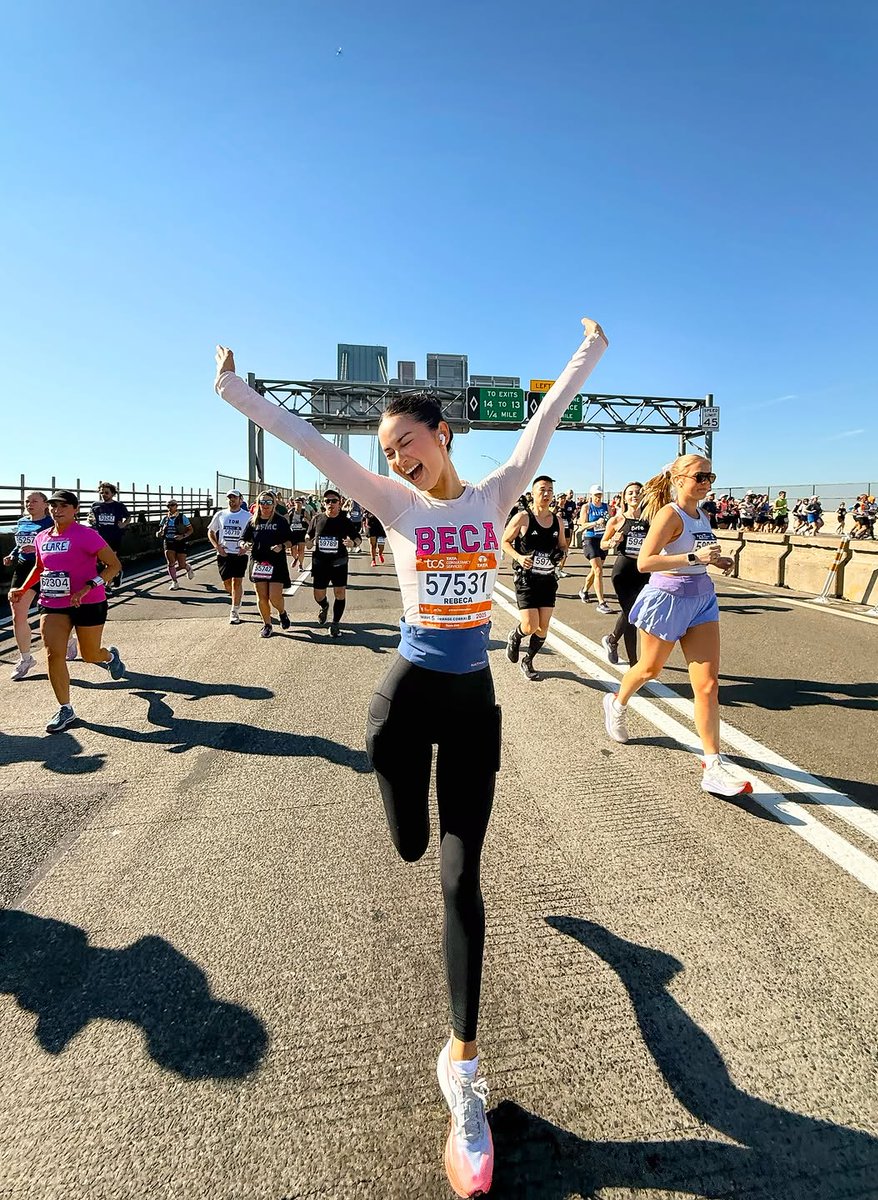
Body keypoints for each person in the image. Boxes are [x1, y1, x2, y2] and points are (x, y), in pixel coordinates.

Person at [215, 317, 608, 1198]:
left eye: (408, 442)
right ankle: (402, 815)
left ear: (443, 436)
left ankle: (462, 1073)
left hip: (473, 712)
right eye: (387, 448)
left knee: (459, 877)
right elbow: (312, 443)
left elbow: (544, 424)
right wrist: (238, 392)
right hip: (400, 708)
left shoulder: (494, 497)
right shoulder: (395, 506)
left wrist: (589, 354)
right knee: (406, 843)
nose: (396, 458)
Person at [601, 456, 752, 799]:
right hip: (667, 597)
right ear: (679, 479)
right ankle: (617, 703)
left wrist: (716, 560)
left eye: (710, 475)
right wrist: (695, 558)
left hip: (702, 600)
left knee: (709, 685)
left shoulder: (702, 514)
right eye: (700, 475)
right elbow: (645, 562)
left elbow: (698, 555)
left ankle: (712, 765)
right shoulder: (670, 514)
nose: (706, 481)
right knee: (649, 669)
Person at [8, 490, 125, 732]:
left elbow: (114, 565)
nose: (56, 510)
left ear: (75, 509)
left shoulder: (87, 535)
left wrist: (89, 586)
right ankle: (66, 709)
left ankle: (110, 656)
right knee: (53, 654)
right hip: (52, 603)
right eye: (53, 506)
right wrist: (23, 588)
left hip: (89, 602)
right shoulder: (42, 537)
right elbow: (41, 568)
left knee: (90, 654)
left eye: (62, 506)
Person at [501, 475, 567, 681]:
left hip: (547, 580)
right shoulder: (523, 518)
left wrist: (562, 554)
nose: (547, 494)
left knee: (543, 627)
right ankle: (516, 635)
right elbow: (504, 541)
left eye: (550, 490)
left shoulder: (557, 520)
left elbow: (563, 545)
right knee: (530, 625)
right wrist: (519, 558)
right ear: (533, 493)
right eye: (542, 489)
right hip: (526, 579)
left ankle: (528, 660)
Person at [4, 491, 54, 680]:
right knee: (17, 613)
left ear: (45, 504)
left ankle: (69, 641)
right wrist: (13, 555)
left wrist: (36, 548)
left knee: (51, 614)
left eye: (34, 501)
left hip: (47, 568)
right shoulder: (21, 522)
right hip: (25, 568)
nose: (29, 504)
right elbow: (20, 544)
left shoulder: (50, 523)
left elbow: (57, 541)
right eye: (27, 501)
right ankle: (26, 658)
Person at [599, 481, 649, 667]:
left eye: (638, 492)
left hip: (644, 571)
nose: (634, 495)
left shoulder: (649, 520)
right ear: (624, 497)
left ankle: (612, 640)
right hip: (623, 572)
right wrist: (612, 541)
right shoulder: (617, 520)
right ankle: (634, 665)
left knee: (632, 613)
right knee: (631, 615)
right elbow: (603, 544)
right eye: (630, 493)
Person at [306, 490, 362, 637]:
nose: (330, 504)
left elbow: (358, 538)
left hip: (339, 563)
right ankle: (324, 606)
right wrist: (307, 540)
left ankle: (335, 624)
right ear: (324, 504)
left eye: (334, 501)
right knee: (318, 595)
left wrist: (352, 543)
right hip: (320, 563)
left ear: (339, 503)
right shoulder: (317, 519)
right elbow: (309, 534)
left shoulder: (345, 521)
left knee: (340, 593)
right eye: (327, 501)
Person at [240, 491, 293, 637]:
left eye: (269, 502)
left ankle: (282, 612)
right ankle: (267, 625)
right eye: (262, 502)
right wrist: (244, 544)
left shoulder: (280, 520)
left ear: (274, 504)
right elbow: (243, 539)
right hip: (258, 562)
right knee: (262, 597)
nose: (265, 505)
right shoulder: (253, 521)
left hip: (276, 562)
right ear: (258, 504)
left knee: (274, 597)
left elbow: (290, 541)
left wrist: (281, 546)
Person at [207, 489, 251, 624]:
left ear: (240, 500)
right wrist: (217, 547)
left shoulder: (248, 516)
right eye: (229, 498)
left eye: (234, 498)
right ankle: (236, 598)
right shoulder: (220, 514)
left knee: (236, 582)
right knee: (227, 584)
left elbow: (254, 534)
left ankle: (234, 610)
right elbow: (211, 532)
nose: (232, 500)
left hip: (239, 553)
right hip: (224, 553)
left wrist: (246, 547)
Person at [577, 485, 612, 613]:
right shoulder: (586, 507)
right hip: (590, 539)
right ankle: (601, 602)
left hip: (602, 540)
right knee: (598, 570)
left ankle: (584, 590)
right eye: (596, 495)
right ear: (591, 495)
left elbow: (610, 522)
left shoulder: (606, 507)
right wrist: (596, 523)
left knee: (596, 570)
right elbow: (582, 525)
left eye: (600, 495)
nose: (598, 497)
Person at [89, 483, 130, 589]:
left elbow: (128, 517)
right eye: (101, 492)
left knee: (110, 561)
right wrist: (90, 520)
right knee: (101, 561)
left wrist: (123, 524)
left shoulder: (118, 506)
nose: (104, 494)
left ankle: (108, 586)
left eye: (106, 492)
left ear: (113, 493)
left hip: (114, 536)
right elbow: (91, 517)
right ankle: (117, 572)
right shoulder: (96, 505)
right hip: (99, 537)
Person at [157, 500, 194, 589]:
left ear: (176, 506)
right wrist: (159, 533)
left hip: (180, 542)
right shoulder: (165, 519)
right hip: (168, 541)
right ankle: (174, 582)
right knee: (171, 563)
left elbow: (191, 530)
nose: (170, 507)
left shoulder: (182, 517)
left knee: (181, 564)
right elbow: (160, 531)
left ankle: (188, 568)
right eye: (168, 506)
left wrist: (183, 536)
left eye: (172, 505)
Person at [288, 496, 311, 581]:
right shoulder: (291, 511)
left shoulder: (304, 512)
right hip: (293, 533)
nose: (298, 504)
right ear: (294, 503)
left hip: (302, 532)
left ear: (302, 503)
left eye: (299, 503)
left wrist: (306, 520)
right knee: (292, 550)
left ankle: (300, 565)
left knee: (301, 550)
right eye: (296, 502)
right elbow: (286, 520)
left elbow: (311, 523)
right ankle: (296, 558)